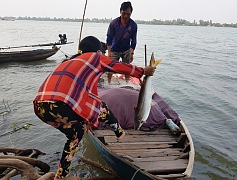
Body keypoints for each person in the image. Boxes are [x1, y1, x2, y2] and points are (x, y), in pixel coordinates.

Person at [33, 36, 156, 180]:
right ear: (98, 51)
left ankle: (61, 176)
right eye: (102, 53)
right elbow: (118, 66)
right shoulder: (95, 58)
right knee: (102, 108)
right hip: (62, 103)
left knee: (75, 134)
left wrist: (88, 119)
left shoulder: (70, 62)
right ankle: (119, 132)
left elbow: (91, 95)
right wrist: (142, 71)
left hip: (41, 107)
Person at [106, 1, 137, 83]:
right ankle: (108, 82)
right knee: (110, 68)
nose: (126, 16)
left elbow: (133, 40)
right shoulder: (114, 23)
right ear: (120, 12)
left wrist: (132, 53)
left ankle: (127, 83)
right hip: (114, 49)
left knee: (127, 69)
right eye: (124, 13)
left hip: (126, 50)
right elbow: (109, 38)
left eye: (128, 14)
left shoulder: (133, 25)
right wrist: (109, 53)